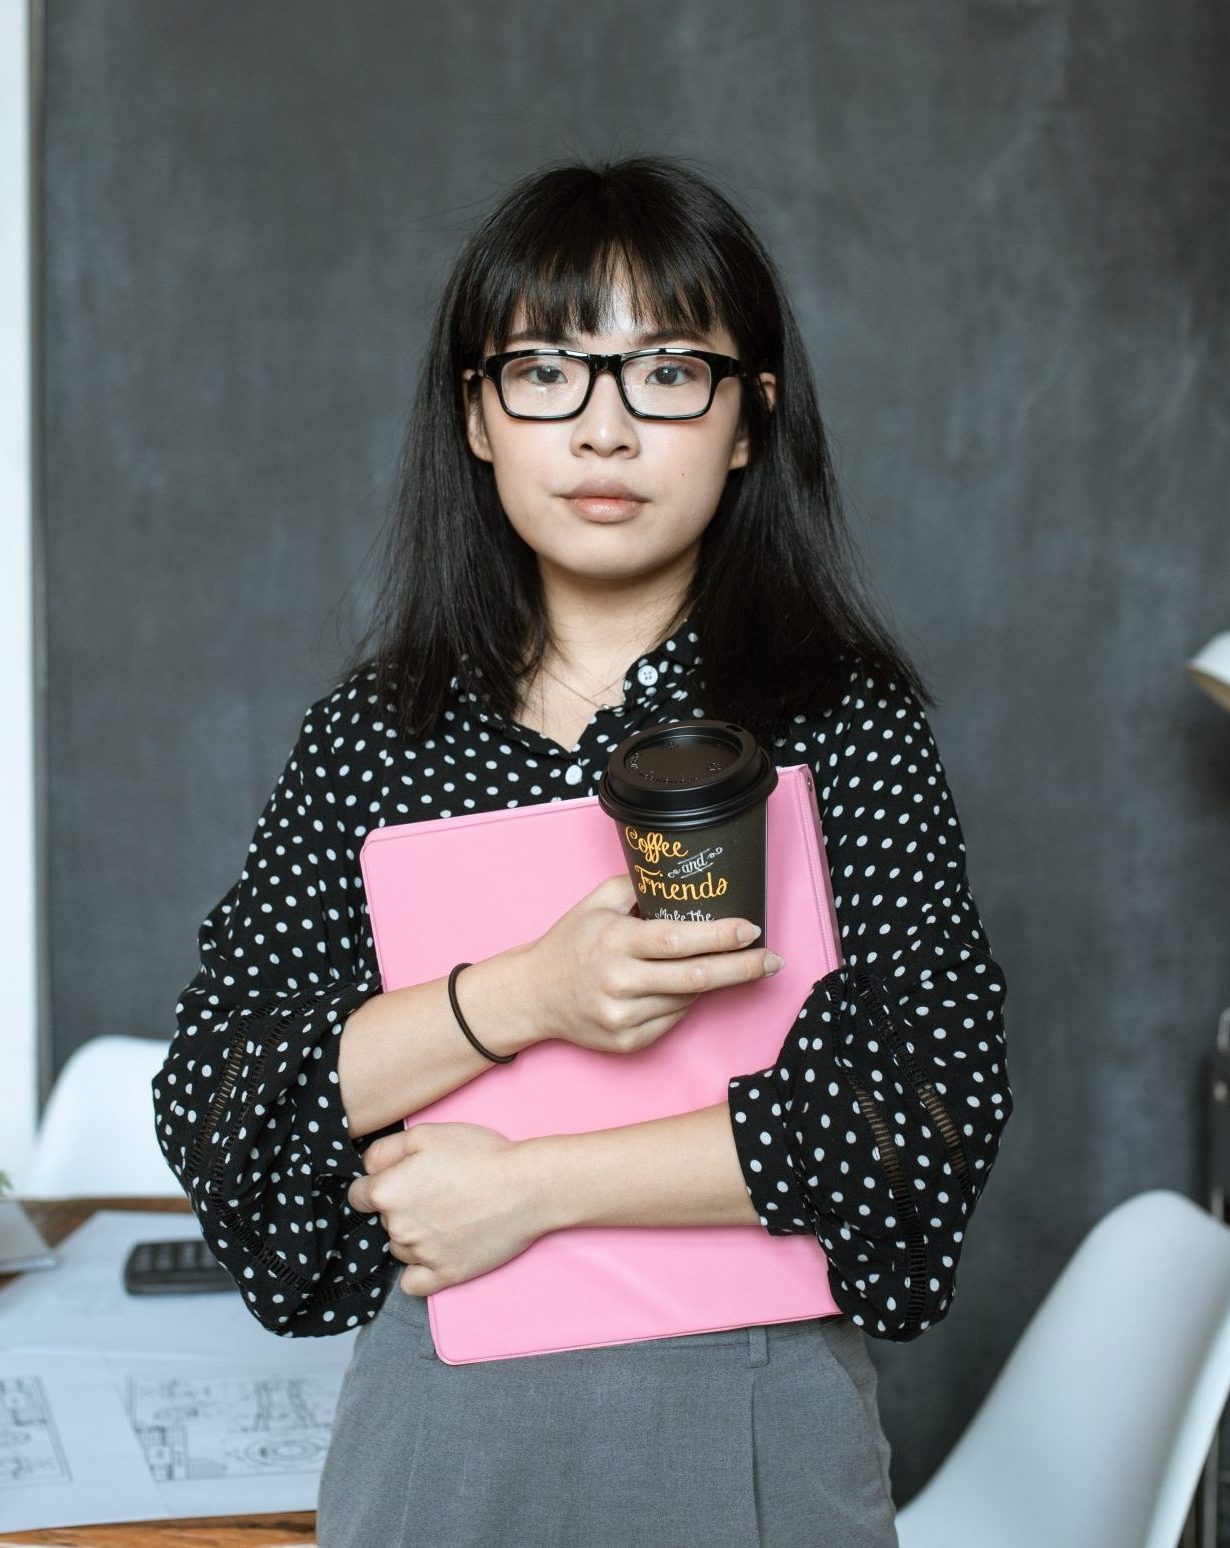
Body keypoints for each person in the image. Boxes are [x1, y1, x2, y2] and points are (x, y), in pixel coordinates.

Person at [151, 153, 1013, 1548]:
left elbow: (920, 1111)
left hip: (753, 1419)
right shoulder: (375, 737)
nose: (603, 431)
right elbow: (224, 1099)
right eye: (546, 371)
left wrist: (528, 1191)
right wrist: (527, 997)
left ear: (749, 419)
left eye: (667, 373)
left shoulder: (839, 721)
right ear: (476, 416)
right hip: (438, 1428)